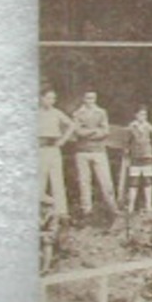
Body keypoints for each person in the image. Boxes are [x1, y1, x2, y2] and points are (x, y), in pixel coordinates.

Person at [71, 90, 117, 217]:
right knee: (84, 181)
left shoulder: (101, 112)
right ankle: (86, 210)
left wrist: (88, 132)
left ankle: (112, 208)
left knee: (105, 180)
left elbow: (105, 131)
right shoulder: (77, 113)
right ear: (83, 99)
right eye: (87, 98)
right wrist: (94, 132)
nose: (90, 101)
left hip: (99, 150)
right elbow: (77, 131)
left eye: (92, 98)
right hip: (82, 151)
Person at [38, 88, 75, 217]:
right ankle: (43, 210)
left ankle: (62, 212)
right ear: (41, 98)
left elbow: (71, 125)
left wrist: (63, 140)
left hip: (54, 149)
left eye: (53, 98)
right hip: (40, 149)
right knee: (40, 181)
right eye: (48, 98)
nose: (51, 101)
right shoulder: (36, 113)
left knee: (57, 180)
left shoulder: (57, 113)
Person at [124, 105, 152, 213]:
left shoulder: (149, 127)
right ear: (136, 115)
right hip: (135, 158)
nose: (142, 117)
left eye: (144, 115)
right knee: (134, 181)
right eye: (140, 114)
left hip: (147, 157)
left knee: (147, 180)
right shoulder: (131, 127)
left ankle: (148, 205)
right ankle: (131, 206)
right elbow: (127, 142)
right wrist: (127, 151)